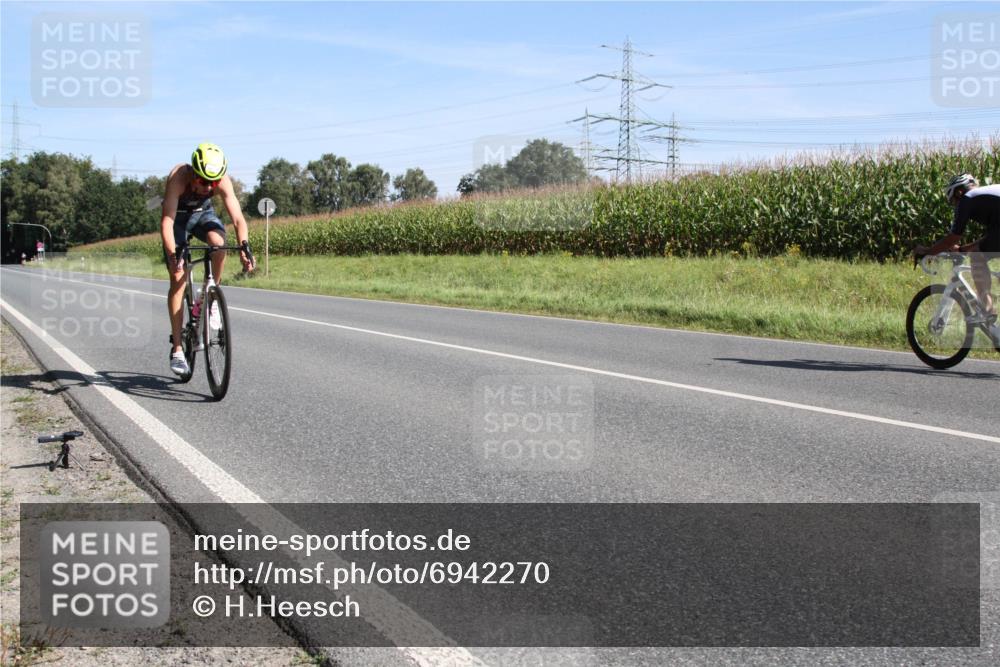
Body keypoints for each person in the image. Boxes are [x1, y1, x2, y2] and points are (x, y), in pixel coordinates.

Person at [161, 142, 254, 376]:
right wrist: (174, 255)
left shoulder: (220, 181)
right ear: (193, 173)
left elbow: (239, 220)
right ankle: (178, 349)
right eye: (203, 182)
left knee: (219, 244)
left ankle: (212, 294)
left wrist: (245, 247)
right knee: (178, 277)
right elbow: (167, 222)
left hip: (203, 214)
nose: (208, 187)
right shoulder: (178, 178)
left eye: (213, 183)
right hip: (179, 219)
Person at [914, 173, 1000, 332]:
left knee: (977, 258)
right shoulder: (986, 198)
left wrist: (928, 251)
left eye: (953, 201)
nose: (955, 206)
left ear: (959, 192)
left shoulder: (968, 199)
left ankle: (987, 309)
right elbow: (992, 238)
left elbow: (953, 237)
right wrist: (961, 250)